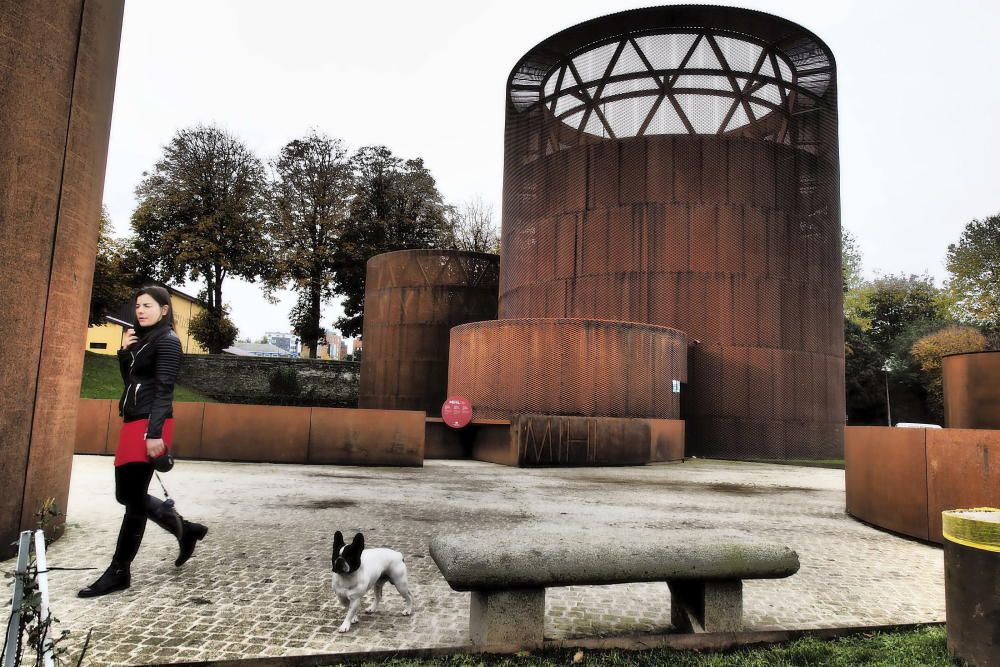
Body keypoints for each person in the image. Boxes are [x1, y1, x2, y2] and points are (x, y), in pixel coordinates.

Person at [78, 285, 208, 598]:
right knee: (127, 494)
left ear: (164, 310)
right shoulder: (145, 339)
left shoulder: (168, 342)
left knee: (133, 499)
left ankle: (120, 570)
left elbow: (164, 391)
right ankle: (185, 528)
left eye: (147, 305)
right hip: (134, 422)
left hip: (150, 424)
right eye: (138, 306)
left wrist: (154, 434)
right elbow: (131, 383)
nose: (140, 311)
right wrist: (125, 352)